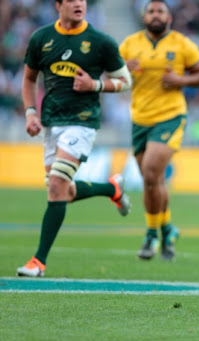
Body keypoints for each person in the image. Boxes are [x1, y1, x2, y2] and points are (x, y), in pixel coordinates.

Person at [17, 0, 132, 277]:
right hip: (50, 122)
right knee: (62, 192)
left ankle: (38, 262)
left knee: (56, 185)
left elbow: (125, 80)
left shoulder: (99, 41)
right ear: (59, 5)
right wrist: (31, 113)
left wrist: (96, 85)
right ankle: (111, 189)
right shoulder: (41, 38)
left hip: (83, 122)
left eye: (82, 0)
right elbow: (29, 79)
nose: (79, 3)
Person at [119, 0, 199, 261]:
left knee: (150, 172)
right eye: (151, 11)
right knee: (153, 181)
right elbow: (113, 75)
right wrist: (124, 70)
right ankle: (168, 228)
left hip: (170, 117)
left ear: (169, 18)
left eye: (161, 11)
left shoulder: (181, 43)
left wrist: (180, 80)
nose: (156, 15)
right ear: (144, 17)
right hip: (139, 119)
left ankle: (150, 235)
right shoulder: (129, 44)